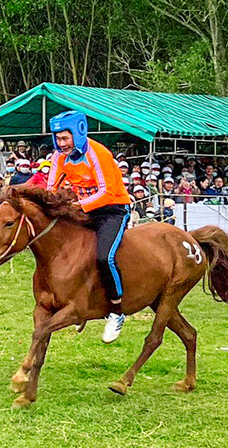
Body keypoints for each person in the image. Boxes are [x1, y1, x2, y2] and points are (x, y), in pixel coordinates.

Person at [46, 110, 134, 343]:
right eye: (57, 138)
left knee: (105, 258)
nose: (61, 143)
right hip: (82, 210)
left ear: (79, 133)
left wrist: (78, 205)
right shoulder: (58, 157)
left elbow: (106, 192)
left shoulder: (98, 154)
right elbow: (51, 188)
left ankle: (117, 311)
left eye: (65, 138)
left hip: (112, 211)